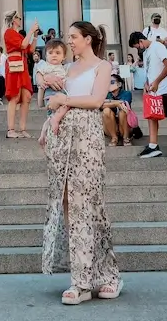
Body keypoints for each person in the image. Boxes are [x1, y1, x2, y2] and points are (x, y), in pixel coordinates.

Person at [42, 21, 122, 305]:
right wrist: (55, 114)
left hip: (88, 134)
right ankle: (81, 276)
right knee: (67, 201)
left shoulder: (102, 66)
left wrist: (64, 98)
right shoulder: (69, 68)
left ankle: (103, 276)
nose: (70, 42)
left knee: (89, 201)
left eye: (74, 37)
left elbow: (97, 99)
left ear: (88, 39)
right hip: (64, 136)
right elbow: (60, 98)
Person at [130, 31, 167, 158]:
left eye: (137, 47)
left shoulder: (157, 47)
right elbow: (150, 71)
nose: (138, 50)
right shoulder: (146, 53)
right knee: (152, 116)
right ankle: (153, 145)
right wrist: (147, 84)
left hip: (166, 88)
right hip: (155, 90)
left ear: (141, 41)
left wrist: (157, 81)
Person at [4, 10, 38, 139]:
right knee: (14, 96)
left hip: (21, 65)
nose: (20, 20)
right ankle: (11, 129)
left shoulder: (17, 34)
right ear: (13, 20)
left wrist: (35, 36)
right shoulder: (9, 33)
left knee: (27, 96)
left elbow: (30, 49)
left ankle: (22, 128)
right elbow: (23, 45)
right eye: (18, 17)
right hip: (14, 64)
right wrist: (30, 31)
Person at [36, 38, 69, 148]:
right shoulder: (45, 66)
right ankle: (45, 131)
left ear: (64, 56)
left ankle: (43, 134)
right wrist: (41, 81)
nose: (54, 55)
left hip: (62, 93)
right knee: (53, 114)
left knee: (52, 116)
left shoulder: (64, 68)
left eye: (58, 53)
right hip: (50, 94)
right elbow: (38, 74)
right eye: (50, 53)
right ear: (46, 55)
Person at [101, 74, 133, 147]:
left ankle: (126, 137)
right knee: (106, 110)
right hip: (110, 128)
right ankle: (114, 137)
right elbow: (100, 105)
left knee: (123, 111)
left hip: (124, 126)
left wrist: (108, 102)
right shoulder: (106, 94)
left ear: (119, 84)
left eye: (112, 82)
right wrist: (116, 103)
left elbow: (124, 104)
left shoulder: (127, 93)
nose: (109, 84)